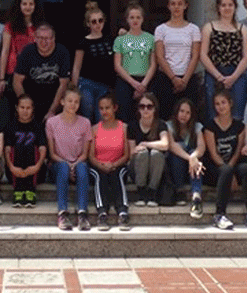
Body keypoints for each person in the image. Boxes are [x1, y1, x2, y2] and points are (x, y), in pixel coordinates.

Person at [203, 89, 247, 230]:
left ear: (230, 103)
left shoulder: (239, 126)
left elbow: (238, 152)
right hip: (215, 168)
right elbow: (214, 155)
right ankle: (219, 214)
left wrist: (232, 172)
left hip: (232, 165)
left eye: (223, 103)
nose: (221, 106)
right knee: (225, 171)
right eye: (217, 104)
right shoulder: (209, 126)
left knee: (246, 169)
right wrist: (228, 172)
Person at [200, 0, 247, 122]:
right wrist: (218, 76)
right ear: (218, 8)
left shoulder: (243, 29)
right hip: (214, 73)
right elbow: (203, 55)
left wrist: (233, 77)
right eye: (223, 5)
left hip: (236, 74)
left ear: (235, 7)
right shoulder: (209, 28)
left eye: (230, 5)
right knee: (213, 113)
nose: (227, 8)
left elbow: (246, 57)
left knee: (236, 114)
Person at [152, 0, 202, 122]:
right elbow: (160, 56)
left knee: (188, 117)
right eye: (173, 4)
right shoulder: (161, 29)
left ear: (185, 5)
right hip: (166, 78)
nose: (176, 7)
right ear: (168, 6)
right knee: (165, 115)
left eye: (180, 4)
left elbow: (195, 55)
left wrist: (184, 80)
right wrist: (173, 78)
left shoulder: (193, 29)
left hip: (188, 78)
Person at [46, 86, 92, 230]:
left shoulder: (85, 123)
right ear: (62, 102)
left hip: (78, 163)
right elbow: (52, 154)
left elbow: (85, 154)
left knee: (83, 167)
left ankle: (82, 214)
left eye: (76, 101)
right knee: (63, 168)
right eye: (70, 101)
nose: (73, 104)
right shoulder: (52, 122)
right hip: (59, 164)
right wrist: (68, 165)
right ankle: (62, 214)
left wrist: (74, 164)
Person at [88, 93, 131, 230]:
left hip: (118, 164)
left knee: (118, 175)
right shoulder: (94, 129)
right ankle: (102, 213)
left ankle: (123, 212)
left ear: (115, 108)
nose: (104, 111)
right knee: (98, 176)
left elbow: (126, 155)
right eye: (101, 108)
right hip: (99, 165)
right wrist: (101, 165)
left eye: (107, 108)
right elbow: (91, 156)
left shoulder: (123, 128)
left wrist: (113, 165)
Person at [13, 23, 71, 123]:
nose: (43, 42)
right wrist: (26, 107)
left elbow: (63, 84)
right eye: (40, 38)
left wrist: (52, 111)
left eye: (47, 38)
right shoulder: (27, 51)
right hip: (31, 98)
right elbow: (17, 81)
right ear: (35, 38)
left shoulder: (62, 52)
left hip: (54, 99)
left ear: (53, 38)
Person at [0, 0, 42, 120]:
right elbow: (5, 51)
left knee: (32, 108)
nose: (28, 7)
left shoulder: (40, 26)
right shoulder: (10, 26)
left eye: (31, 4)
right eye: (24, 4)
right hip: (13, 72)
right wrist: (1, 78)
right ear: (19, 5)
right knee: (13, 108)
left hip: (34, 72)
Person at [113, 1, 156, 125]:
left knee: (145, 115)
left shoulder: (150, 38)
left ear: (142, 19)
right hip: (126, 81)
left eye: (138, 17)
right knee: (124, 116)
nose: (135, 20)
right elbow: (117, 65)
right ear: (127, 19)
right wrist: (133, 83)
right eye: (132, 17)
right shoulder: (120, 40)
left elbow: (153, 64)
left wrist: (143, 84)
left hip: (145, 80)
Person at [71, 1, 115, 123]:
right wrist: (74, 89)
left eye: (100, 20)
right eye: (94, 21)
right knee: (87, 116)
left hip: (105, 84)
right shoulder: (83, 42)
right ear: (88, 23)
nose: (97, 24)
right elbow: (77, 67)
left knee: (101, 117)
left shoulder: (110, 40)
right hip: (87, 83)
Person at [4, 93, 47, 207]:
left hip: (35, 169)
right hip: (14, 169)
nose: (25, 111)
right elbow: (7, 149)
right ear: (17, 108)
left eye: (28, 108)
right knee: (17, 147)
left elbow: (43, 148)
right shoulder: (10, 126)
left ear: (33, 109)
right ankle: (18, 190)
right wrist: (11, 167)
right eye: (22, 107)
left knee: (30, 147)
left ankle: (30, 191)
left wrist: (37, 166)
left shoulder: (38, 126)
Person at [167, 97, 205, 217]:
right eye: (182, 111)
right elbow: (172, 146)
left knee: (195, 154)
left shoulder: (197, 127)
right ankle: (179, 190)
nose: (184, 115)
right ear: (177, 112)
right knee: (179, 150)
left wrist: (194, 156)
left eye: (188, 112)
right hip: (176, 167)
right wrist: (190, 158)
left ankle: (196, 196)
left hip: (191, 169)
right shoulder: (169, 126)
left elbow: (201, 147)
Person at [129, 93, 169, 206]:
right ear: (138, 109)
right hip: (137, 168)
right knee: (143, 153)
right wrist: (138, 149)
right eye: (142, 106)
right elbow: (130, 152)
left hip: (155, 168)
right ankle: (141, 193)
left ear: (154, 109)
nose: (145, 109)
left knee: (156, 154)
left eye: (149, 106)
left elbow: (165, 144)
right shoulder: (132, 126)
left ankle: (152, 193)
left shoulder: (161, 124)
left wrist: (146, 144)